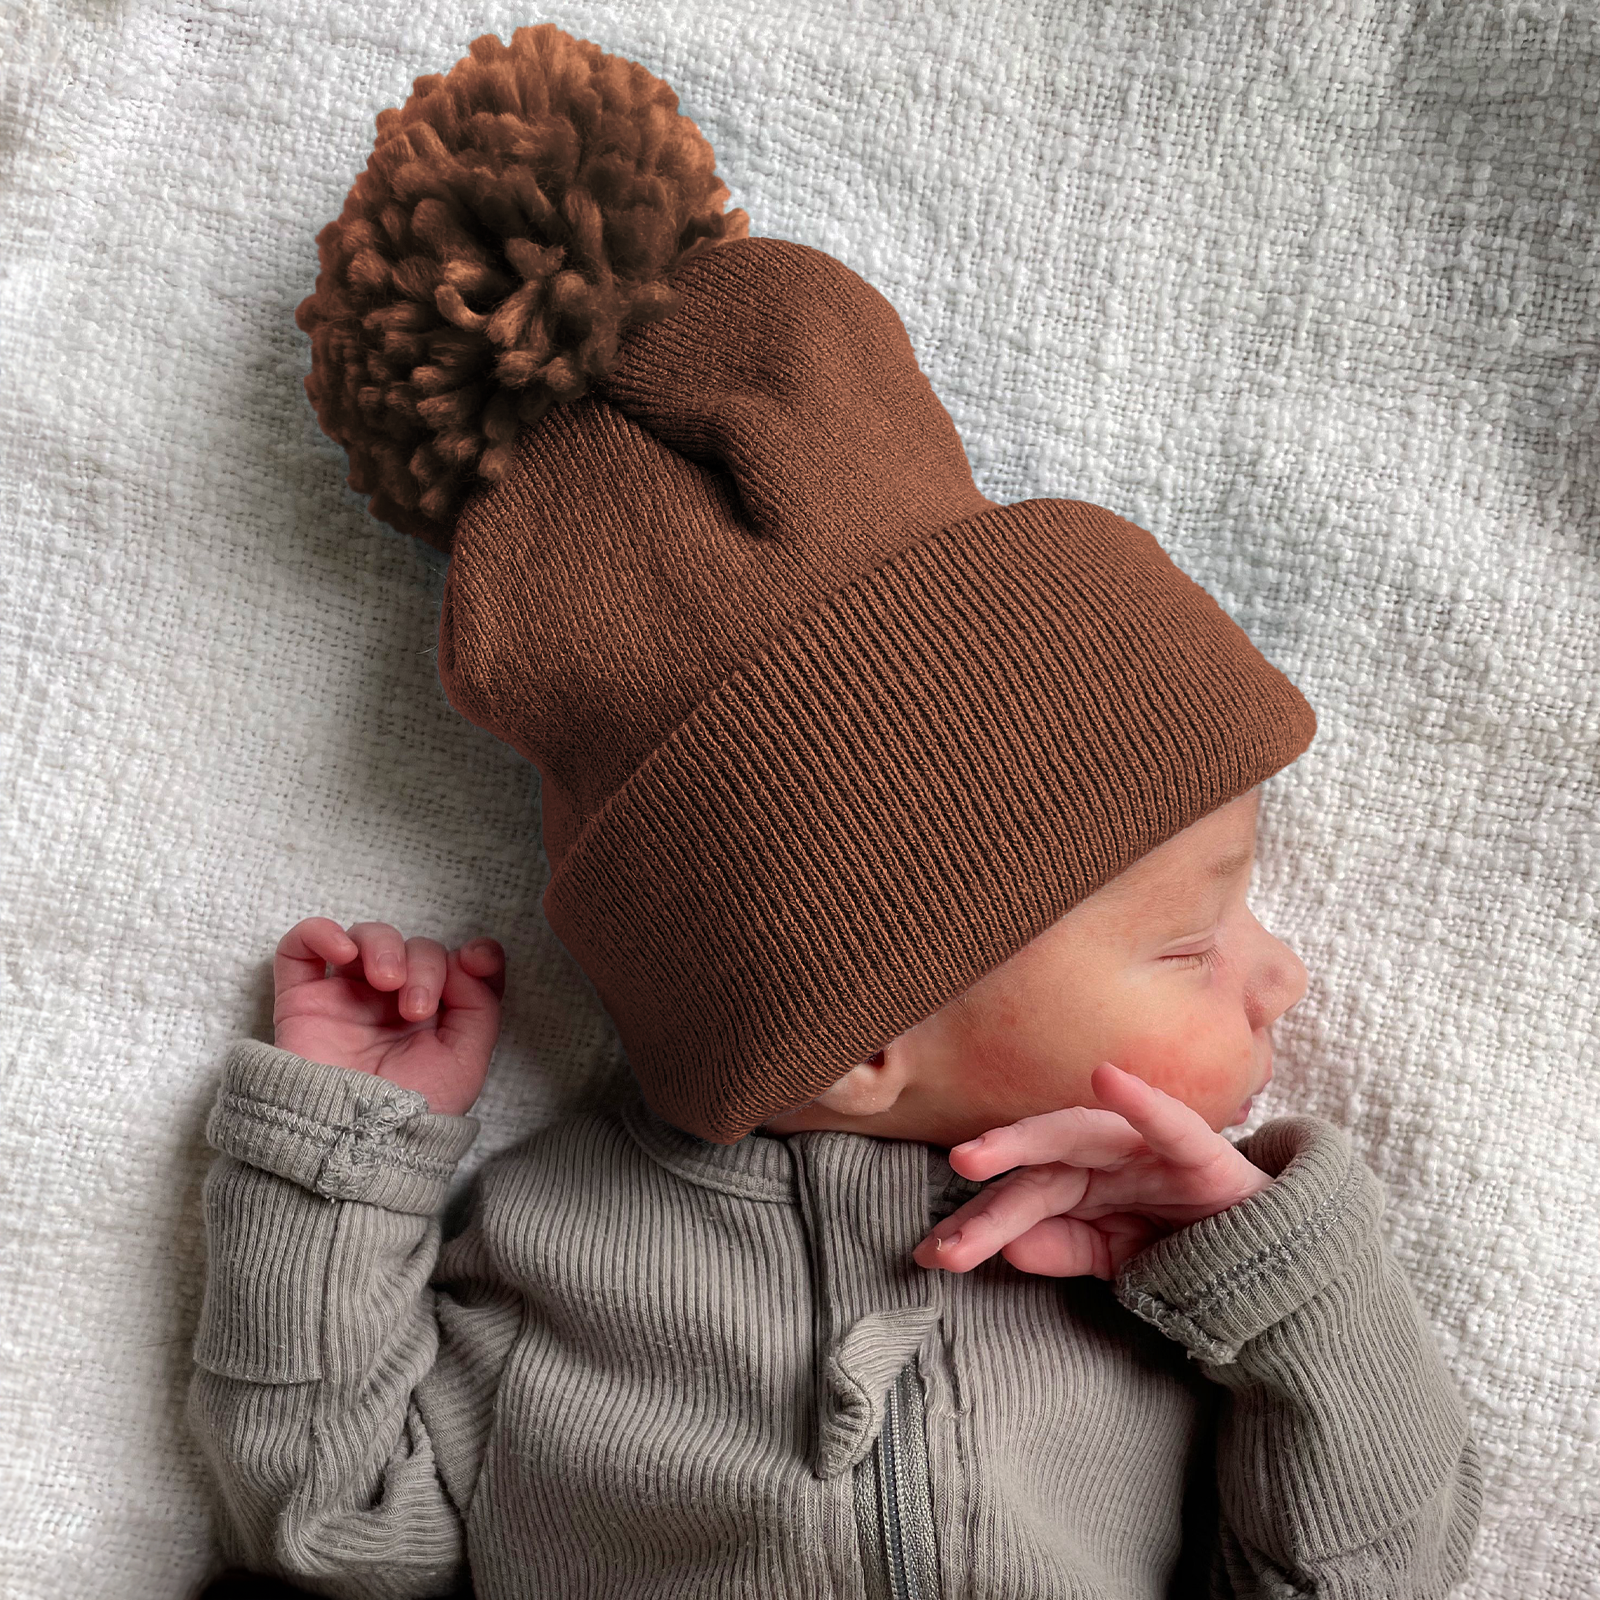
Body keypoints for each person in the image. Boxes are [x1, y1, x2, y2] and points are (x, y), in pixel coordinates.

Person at [187, 24, 1482, 1598]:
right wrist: (343, 1161)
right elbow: (338, 1536)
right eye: (1192, 942)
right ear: (858, 1038)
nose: (1281, 978)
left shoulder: (1148, 1298)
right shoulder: (552, 1260)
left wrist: (1275, 1286)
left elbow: (1374, 1574)